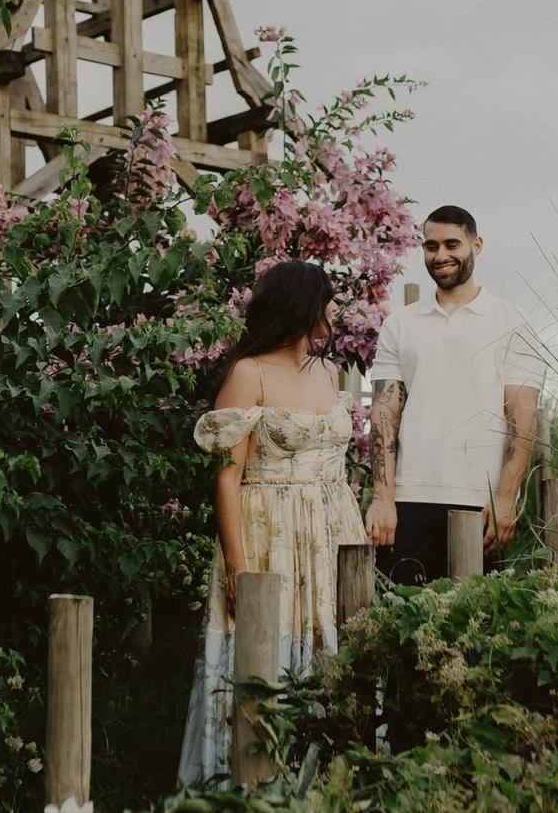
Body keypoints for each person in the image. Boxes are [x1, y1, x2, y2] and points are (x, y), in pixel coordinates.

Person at [178, 260, 367, 788]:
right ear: (303, 305)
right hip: (269, 534)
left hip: (333, 531)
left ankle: (328, 782)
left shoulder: (330, 373)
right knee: (264, 648)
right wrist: (238, 567)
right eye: (327, 298)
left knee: (331, 646)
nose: (334, 309)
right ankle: (253, 782)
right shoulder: (249, 373)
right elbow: (227, 478)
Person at [365, 205, 544, 583]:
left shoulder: (512, 323)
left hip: (480, 501)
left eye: (451, 244)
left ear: (476, 245)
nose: (440, 255)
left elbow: (522, 417)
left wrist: (505, 498)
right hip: (408, 498)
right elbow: (384, 415)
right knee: (400, 612)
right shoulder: (399, 325)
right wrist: (382, 499)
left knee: (472, 614)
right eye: (431, 246)